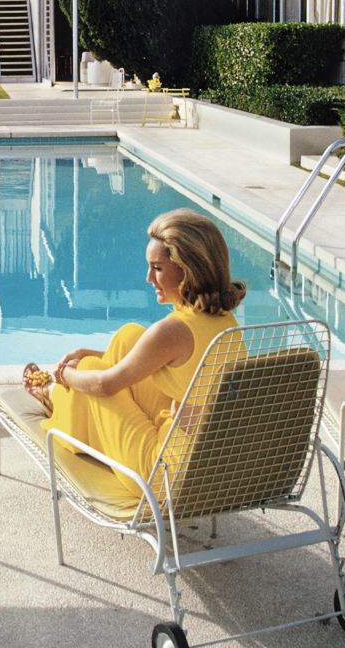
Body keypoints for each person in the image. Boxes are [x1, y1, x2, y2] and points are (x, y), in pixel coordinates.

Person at [22, 209, 245, 503]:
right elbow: (159, 358)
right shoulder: (224, 322)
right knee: (130, 336)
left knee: (90, 371)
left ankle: (54, 395)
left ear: (188, 271)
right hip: (206, 459)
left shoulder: (174, 331)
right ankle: (70, 406)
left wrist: (64, 375)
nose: (148, 277)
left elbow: (105, 385)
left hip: (162, 473)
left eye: (158, 268)